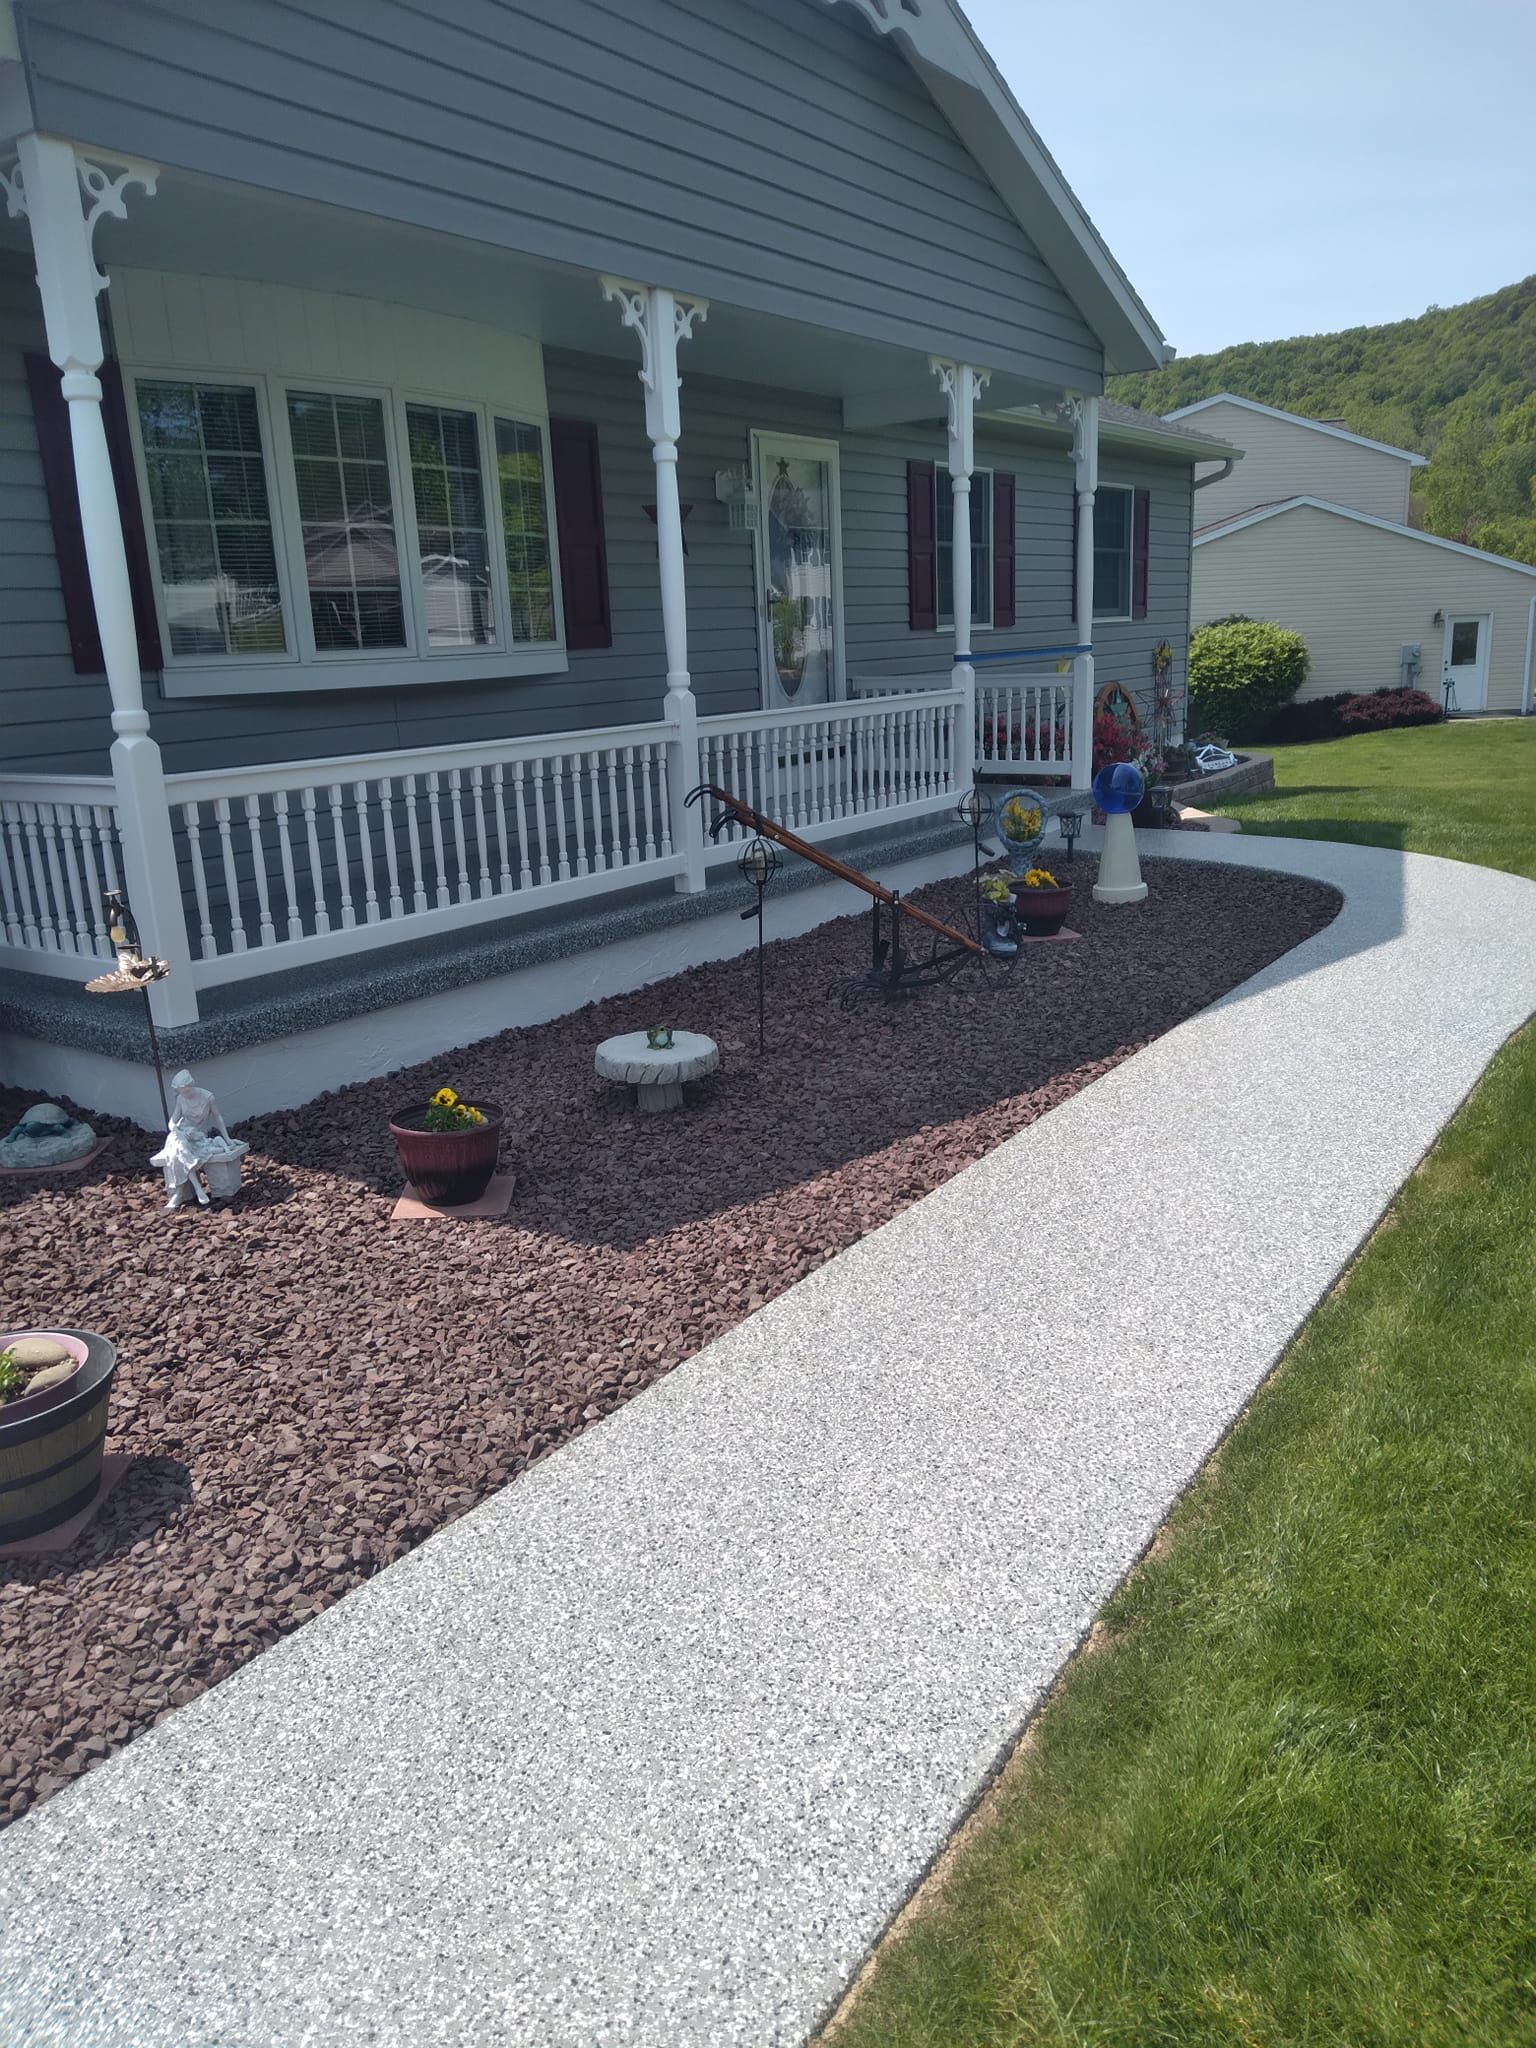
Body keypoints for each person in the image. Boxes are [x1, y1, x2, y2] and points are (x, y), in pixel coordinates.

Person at [150, 1068, 234, 1211]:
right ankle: (196, 1188)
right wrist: (173, 1127)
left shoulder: (208, 1097)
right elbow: (173, 1120)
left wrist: (227, 1138)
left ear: (192, 1085)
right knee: (178, 1147)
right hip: (180, 1133)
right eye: (182, 1092)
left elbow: (217, 1117)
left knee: (179, 1152)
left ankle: (180, 1193)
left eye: (186, 1091)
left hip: (197, 1135)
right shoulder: (180, 1099)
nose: (185, 1095)